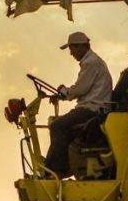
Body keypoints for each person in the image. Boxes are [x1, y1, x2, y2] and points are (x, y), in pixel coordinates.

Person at [44, 31, 113, 178]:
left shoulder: (91, 62)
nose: (71, 53)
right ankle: (55, 166)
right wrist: (65, 93)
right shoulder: (93, 62)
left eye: (72, 48)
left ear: (82, 46)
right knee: (60, 125)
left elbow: (81, 88)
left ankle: (57, 169)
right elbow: (81, 88)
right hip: (93, 107)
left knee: (57, 125)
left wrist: (64, 92)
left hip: (91, 109)